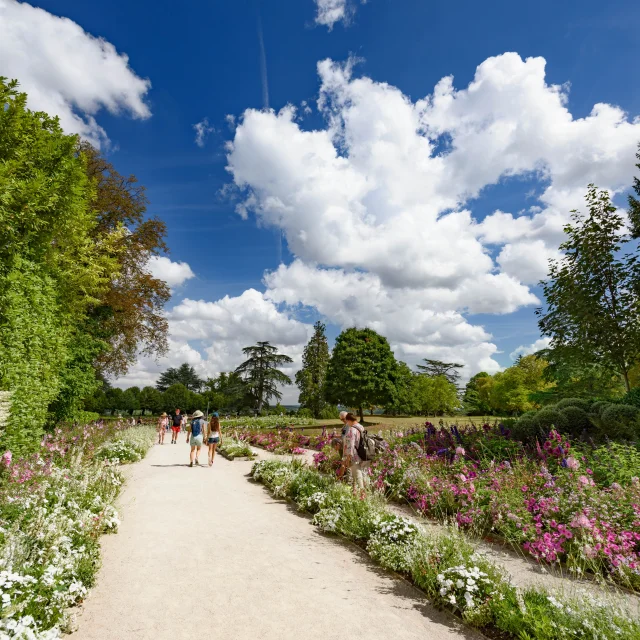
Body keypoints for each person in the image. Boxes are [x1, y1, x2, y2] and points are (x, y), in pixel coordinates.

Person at [338, 413, 368, 497]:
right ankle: (355, 491)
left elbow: (351, 444)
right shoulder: (361, 426)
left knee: (357, 473)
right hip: (361, 452)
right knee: (357, 473)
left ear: (348, 420)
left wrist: (348, 457)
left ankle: (362, 493)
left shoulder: (352, 429)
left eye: (346, 421)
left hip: (354, 455)